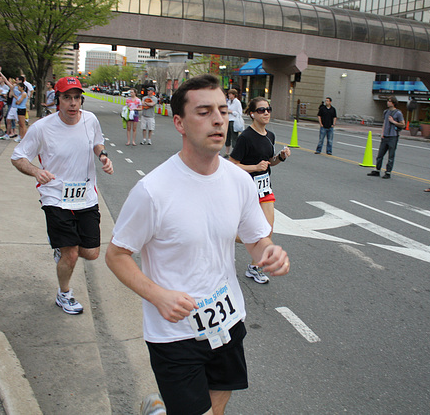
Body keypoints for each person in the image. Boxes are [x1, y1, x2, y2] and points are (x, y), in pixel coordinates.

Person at [105, 74, 289, 415]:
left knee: (215, 410)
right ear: (179, 122)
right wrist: (158, 295)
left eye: (222, 110)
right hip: (174, 332)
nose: (218, 119)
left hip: (227, 320)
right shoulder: (153, 191)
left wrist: (270, 252)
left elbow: (256, 239)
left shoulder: (239, 181)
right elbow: (116, 255)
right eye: (203, 111)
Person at [11, 76, 113, 315]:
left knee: (91, 253)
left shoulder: (91, 120)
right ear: (57, 99)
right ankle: (64, 294)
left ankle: (62, 248)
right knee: (72, 253)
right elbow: (18, 157)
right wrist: (36, 171)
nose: (73, 103)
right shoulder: (42, 128)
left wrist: (103, 156)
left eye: (77, 98)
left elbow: (97, 143)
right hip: (55, 197)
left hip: (85, 196)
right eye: (67, 97)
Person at [230, 97, 291, 284]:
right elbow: (232, 165)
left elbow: (268, 163)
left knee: (267, 230)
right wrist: (254, 167)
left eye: (268, 109)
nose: (266, 113)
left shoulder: (270, 135)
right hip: (247, 189)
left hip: (264, 188)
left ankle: (254, 267)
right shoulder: (245, 138)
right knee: (252, 233)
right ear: (252, 114)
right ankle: (224, 235)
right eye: (262, 110)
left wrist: (280, 157)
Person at [367, 95, 405, 179]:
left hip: (393, 136)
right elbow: (384, 123)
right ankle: (377, 170)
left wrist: (393, 121)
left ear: (393, 103)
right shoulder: (386, 112)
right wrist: (382, 133)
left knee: (391, 155)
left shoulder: (398, 113)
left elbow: (403, 124)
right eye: (387, 101)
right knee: (380, 154)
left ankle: (388, 172)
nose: (388, 102)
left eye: (389, 101)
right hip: (385, 136)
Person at [223, 88, 244, 157]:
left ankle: (234, 153)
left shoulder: (237, 102)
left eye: (230, 94)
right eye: (228, 94)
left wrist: (231, 112)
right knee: (227, 136)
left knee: (234, 137)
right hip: (228, 120)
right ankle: (227, 152)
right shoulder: (228, 102)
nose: (229, 95)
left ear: (234, 95)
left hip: (234, 121)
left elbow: (239, 113)